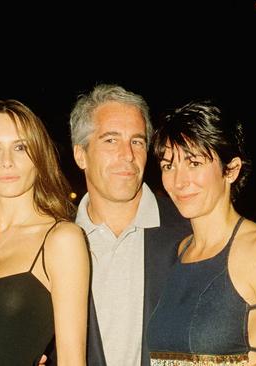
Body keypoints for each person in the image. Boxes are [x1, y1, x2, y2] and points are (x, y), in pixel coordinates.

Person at [147, 99, 256, 365]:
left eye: (194, 163)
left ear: (231, 169)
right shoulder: (179, 251)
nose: (178, 180)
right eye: (168, 165)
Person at [0, 99, 90, 365]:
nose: (6, 162)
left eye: (20, 147)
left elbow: (72, 359)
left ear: (39, 157)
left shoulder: (61, 239)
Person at [69, 84, 191, 366]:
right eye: (111, 140)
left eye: (136, 141)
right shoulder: (53, 242)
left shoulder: (190, 231)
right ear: (81, 155)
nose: (127, 154)